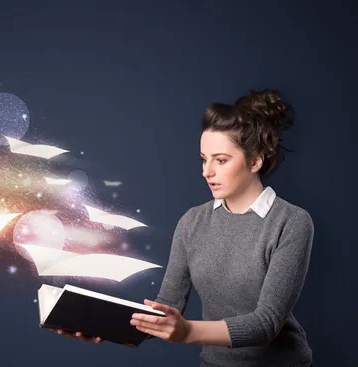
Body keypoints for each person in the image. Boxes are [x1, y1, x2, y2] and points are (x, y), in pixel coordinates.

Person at [51, 90, 314, 367]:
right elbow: (168, 308)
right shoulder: (192, 221)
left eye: (221, 160)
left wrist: (188, 331)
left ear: (255, 160)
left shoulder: (291, 222)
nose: (207, 171)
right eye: (204, 159)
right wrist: (101, 324)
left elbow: (266, 324)